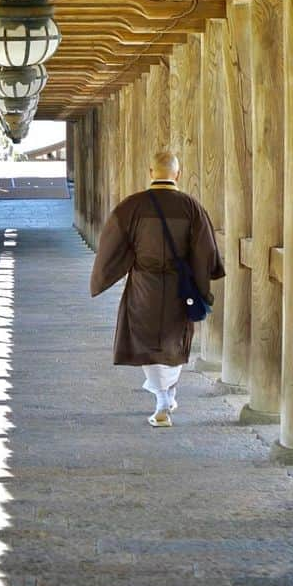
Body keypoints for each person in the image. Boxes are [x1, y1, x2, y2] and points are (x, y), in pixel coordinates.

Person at [90, 148, 224, 427]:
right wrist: (201, 286)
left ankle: (163, 397)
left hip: (144, 286)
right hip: (179, 288)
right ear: (178, 173)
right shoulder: (191, 207)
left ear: (151, 173)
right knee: (174, 340)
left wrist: (108, 272)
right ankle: (167, 393)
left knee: (147, 341)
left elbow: (111, 243)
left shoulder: (132, 206)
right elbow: (204, 252)